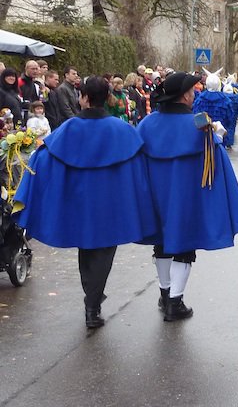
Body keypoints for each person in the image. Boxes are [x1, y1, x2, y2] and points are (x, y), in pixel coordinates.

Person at [13, 76, 158, 328]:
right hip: (113, 204)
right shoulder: (123, 130)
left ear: (84, 98)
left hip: (80, 204)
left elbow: (44, 160)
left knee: (87, 250)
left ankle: (92, 300)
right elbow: (139, 166)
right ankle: (93, 303)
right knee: (104, 251)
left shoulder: (67, 130)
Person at [137, 72, 238, 322]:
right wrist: (218, 134)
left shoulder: (147, 124)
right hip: (186, 196)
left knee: (162, 242)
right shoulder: (199, 124)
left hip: (155, 194)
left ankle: (165, 294)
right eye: (191, 91)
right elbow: (215, 156)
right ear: (185, 96)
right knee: (184, 245)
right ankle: (175, 302)